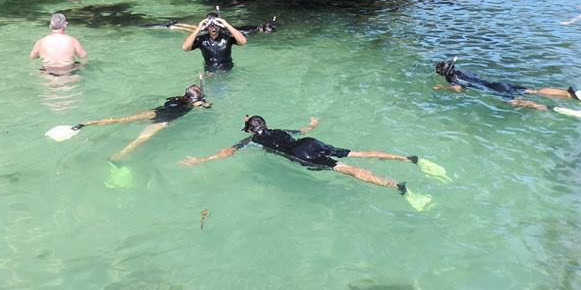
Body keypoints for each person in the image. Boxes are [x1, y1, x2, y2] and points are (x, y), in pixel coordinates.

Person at [181, 115, 427, 204]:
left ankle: (396, 185)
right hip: (309, 143)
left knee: (348, 169)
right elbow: (304, 132)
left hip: (302, 155)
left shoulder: (253, 141)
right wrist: (312, 124)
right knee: (356, 153)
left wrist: (201, 160)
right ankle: (406, 158)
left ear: (249, 131)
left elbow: (228, 152)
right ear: (264, 124)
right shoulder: (279, 130)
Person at [72, 85, 211, 162]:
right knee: (140, 140)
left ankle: (85, 124)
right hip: (163, 121)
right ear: (193, 100)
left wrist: (200, 102)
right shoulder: (192, 105)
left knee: (122, 119)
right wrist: (202, 104)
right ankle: (116, 158)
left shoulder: (177, 99)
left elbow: (169, 104)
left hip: (154, 112)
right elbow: (204, 106)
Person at [434, 59, 579, 111]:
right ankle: (567, 93)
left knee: (515, 102)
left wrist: (443, 88)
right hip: (499, 84)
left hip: (494, 90)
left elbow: (459, 89)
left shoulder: (452, 78)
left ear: (443, 74)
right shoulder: (461, 72)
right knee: (533, 91)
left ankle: (546, 108)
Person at [181, 13, 247, 70]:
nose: (213, 27)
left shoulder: (227, 37)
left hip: (227, 71)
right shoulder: (201, 39)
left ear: (219, 25)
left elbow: (243, 42)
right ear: (206, 26)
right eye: (210, 25)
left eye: (216, 25)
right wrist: (198, 29)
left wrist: (227, 25)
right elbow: (185, 48)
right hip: (210, 72)